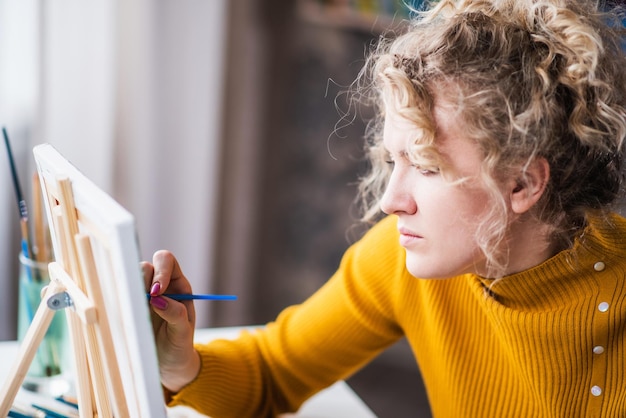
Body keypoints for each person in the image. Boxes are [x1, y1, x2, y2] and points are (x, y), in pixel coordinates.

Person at [142, 0, 626, 416]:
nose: (391, 201)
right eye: (393, 160)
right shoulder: (399, 257)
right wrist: (178, 362)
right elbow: (274, 371)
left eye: (427, 166)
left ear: (523, 182)